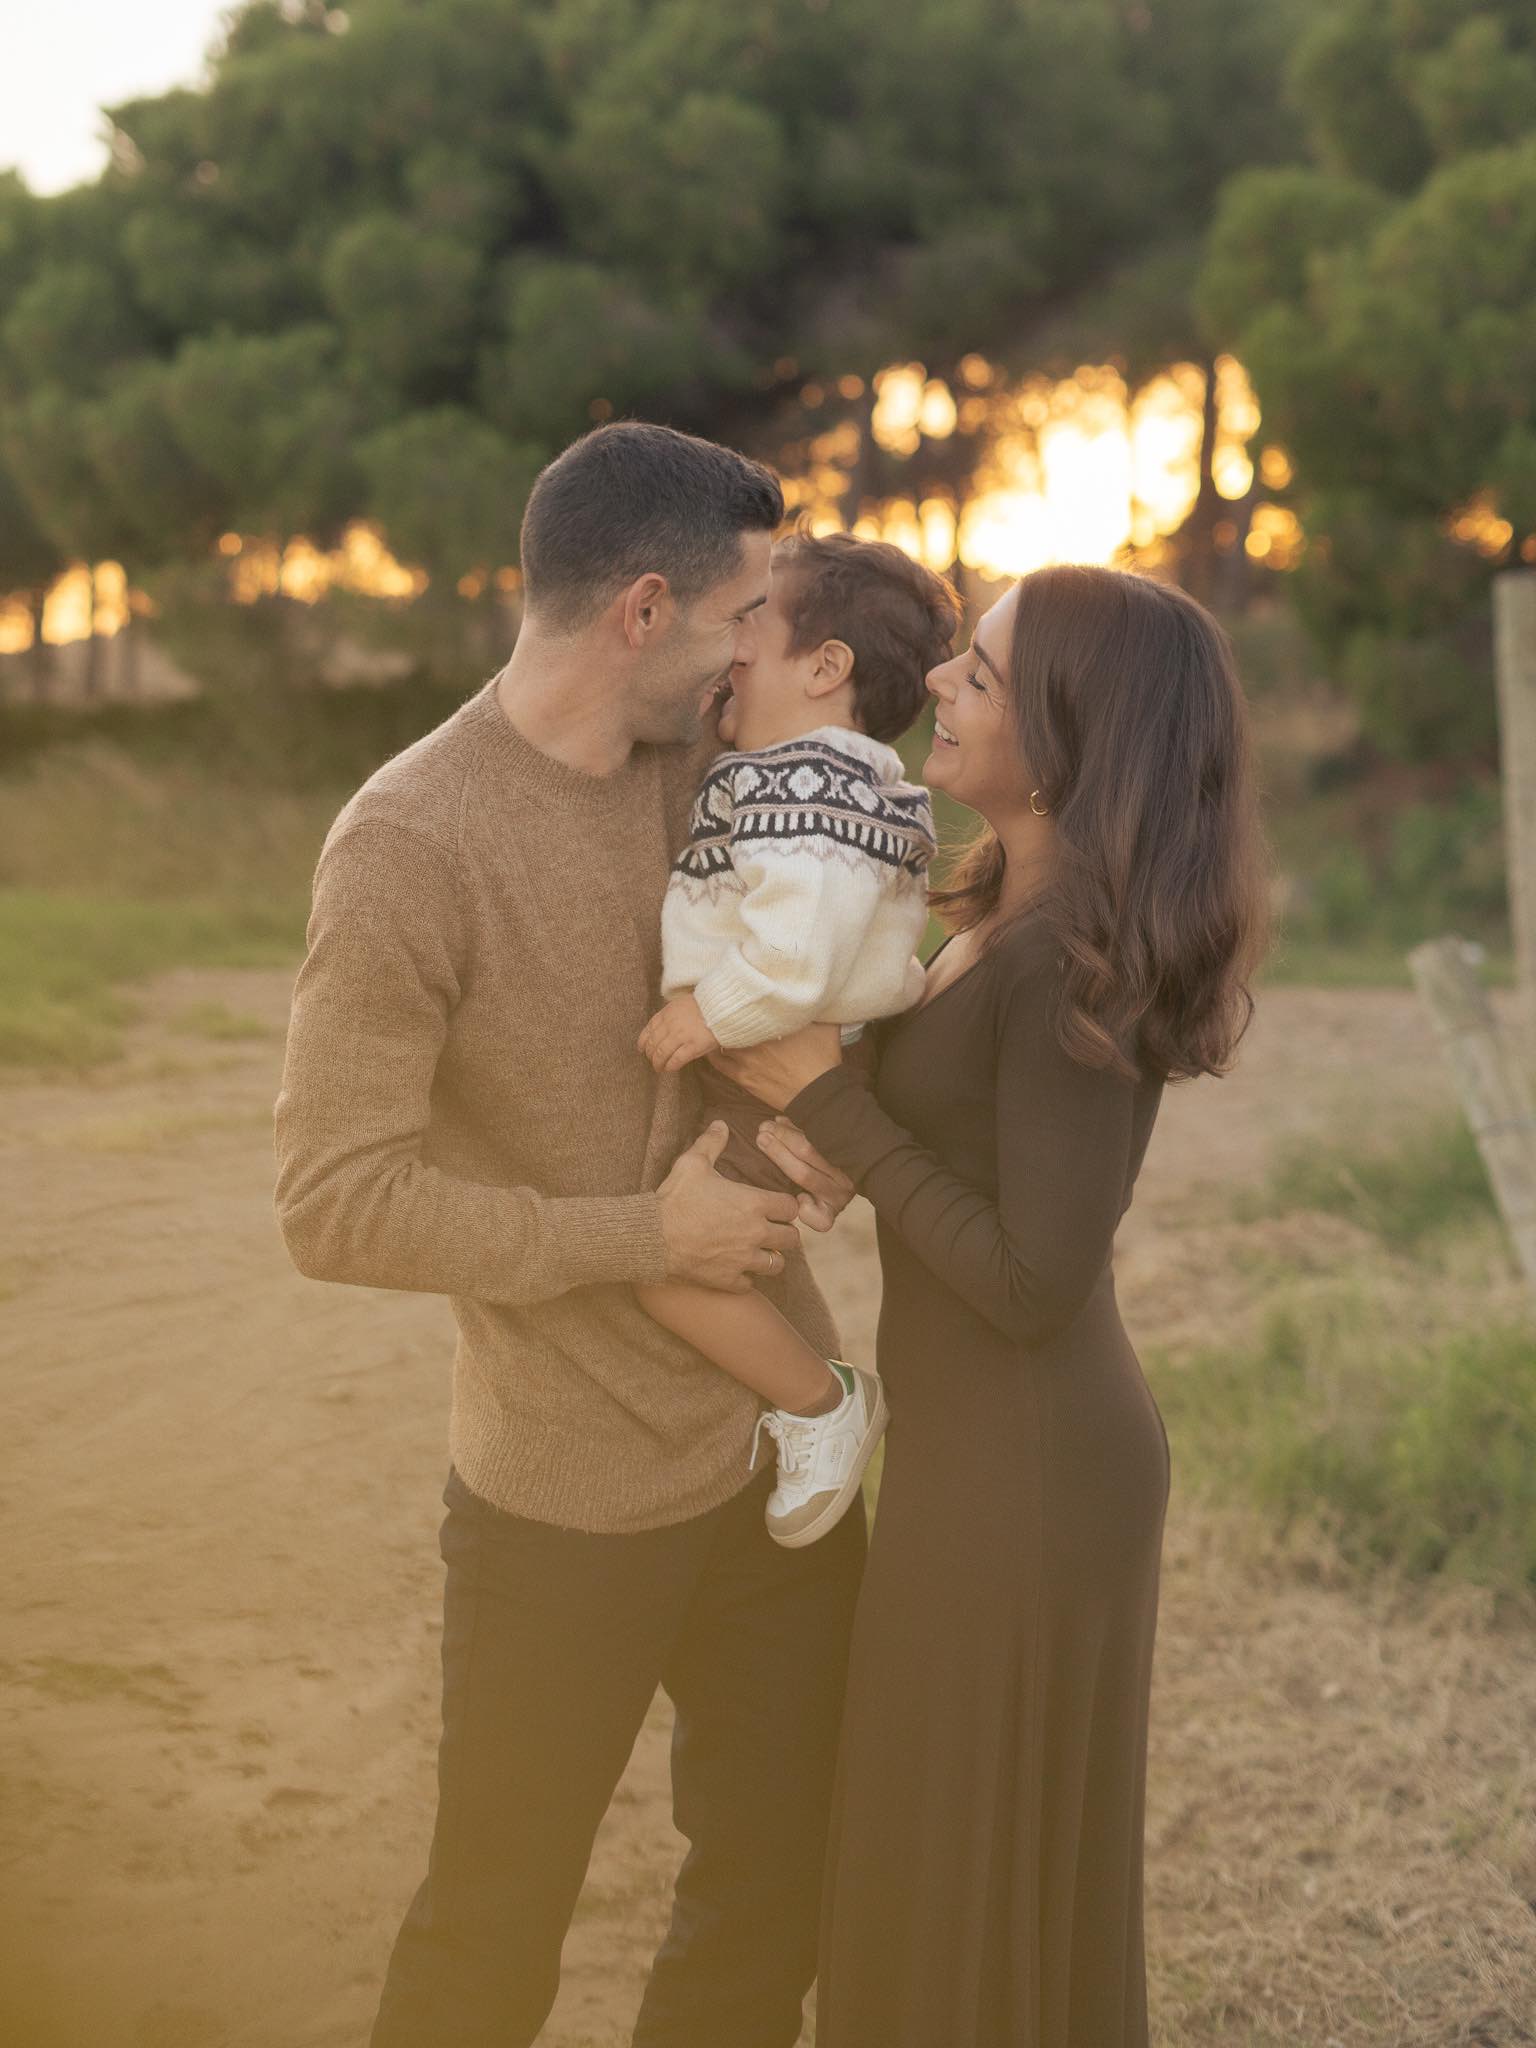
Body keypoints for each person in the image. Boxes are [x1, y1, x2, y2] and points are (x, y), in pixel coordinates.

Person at [273, 422, 866, 2048]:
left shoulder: (707, 769)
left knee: (775, 1894)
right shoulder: (407, 843)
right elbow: (332, 1201)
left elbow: (839, 920)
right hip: (557, 1492)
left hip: (779, 1454)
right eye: (740, 614)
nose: (754, 649)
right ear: (643, 611)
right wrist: (641, 1236)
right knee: (492, 1935)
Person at [720, 563, 1271, 2046]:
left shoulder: (1070, 960)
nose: (942, 684)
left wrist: (837, 1108)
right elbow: (943, 1153)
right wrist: (833, 1129)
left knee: (965, 1869)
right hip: (975, 1450)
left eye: (985, 672)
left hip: (1031, 1470)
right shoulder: (986, 901)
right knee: (940, 1855)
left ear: (1075, 737)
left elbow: (1036, 1281)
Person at [635, 530, 960, 1549]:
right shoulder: (819, 776)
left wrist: (709, 1012)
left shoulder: (808, 787)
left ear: (825, 668)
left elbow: (798, 954)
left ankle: (823, 1403)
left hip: (774, 1056)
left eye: (754, 623)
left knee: (661, 1261)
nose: (730, 643)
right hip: (802, 1049)